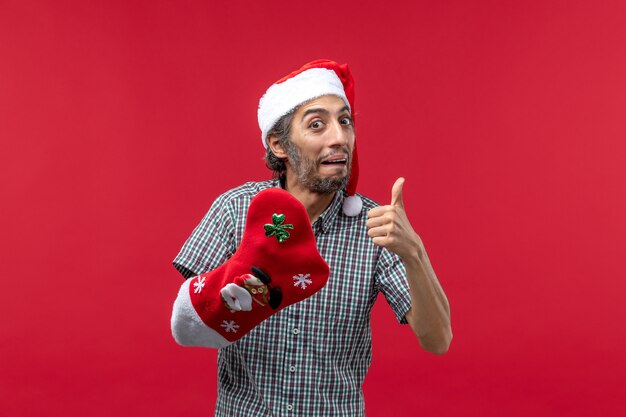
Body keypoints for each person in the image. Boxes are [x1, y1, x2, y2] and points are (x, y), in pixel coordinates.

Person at [172, 59, 452, 417]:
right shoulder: (235, 210)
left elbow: (438, 340)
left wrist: (415, 253)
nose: (339, 137)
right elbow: (187, 321)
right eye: (317, 124)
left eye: (345, 121)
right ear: (279, 145)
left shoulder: (377, 226)